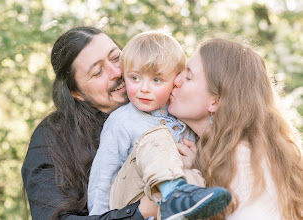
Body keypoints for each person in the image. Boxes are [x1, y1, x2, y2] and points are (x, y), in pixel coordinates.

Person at [88, 31, 231, 220]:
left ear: (175, 81)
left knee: (194, 175)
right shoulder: (122, 121)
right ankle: (174, 193)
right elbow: (102, 176)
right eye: (135, 78)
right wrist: (99, 216)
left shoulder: (182, 119)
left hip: (160, 209)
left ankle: (180, 203)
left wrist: (196, 164)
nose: (144, 88)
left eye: (156, 80)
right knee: (157, 137)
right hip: (129, 204)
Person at [22, 26, 155, 220]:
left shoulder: (167, 101)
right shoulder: (52, 140)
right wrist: (140, 213)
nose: (116, 72)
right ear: (76, 93)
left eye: (116, 57)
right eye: (98, 72)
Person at [168, 38, 303, 219]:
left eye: (188, 76)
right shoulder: (224, 153)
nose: (176, 80)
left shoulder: (245, 161)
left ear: (215, 101)